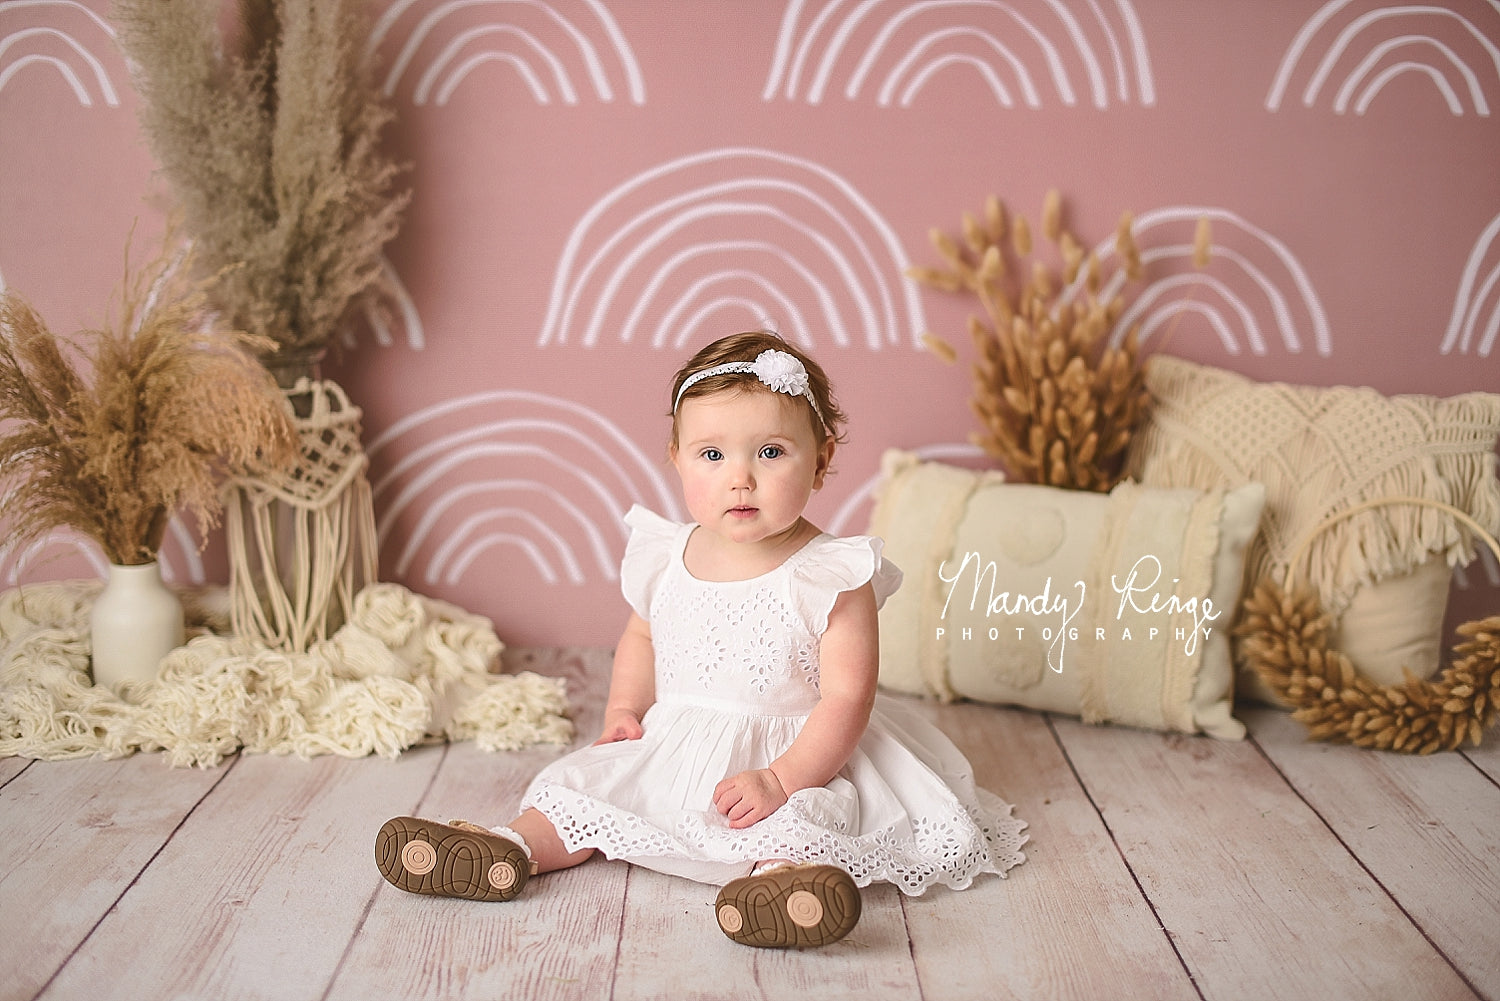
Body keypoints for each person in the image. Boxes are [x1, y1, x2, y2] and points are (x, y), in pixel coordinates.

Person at [376, 331, 1027, 948]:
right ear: (677, 458)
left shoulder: (833, 572)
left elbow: (847, 698)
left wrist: (781, 777)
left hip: (800, 749)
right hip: (679, 739)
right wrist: (624, 710)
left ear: (822, 459)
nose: (739, 476)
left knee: (807, 820)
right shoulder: (668, 552)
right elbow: (641, 634)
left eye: (771, 452)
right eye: (712, 455)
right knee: (579, 787)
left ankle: (781, 890)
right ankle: (507, 848)